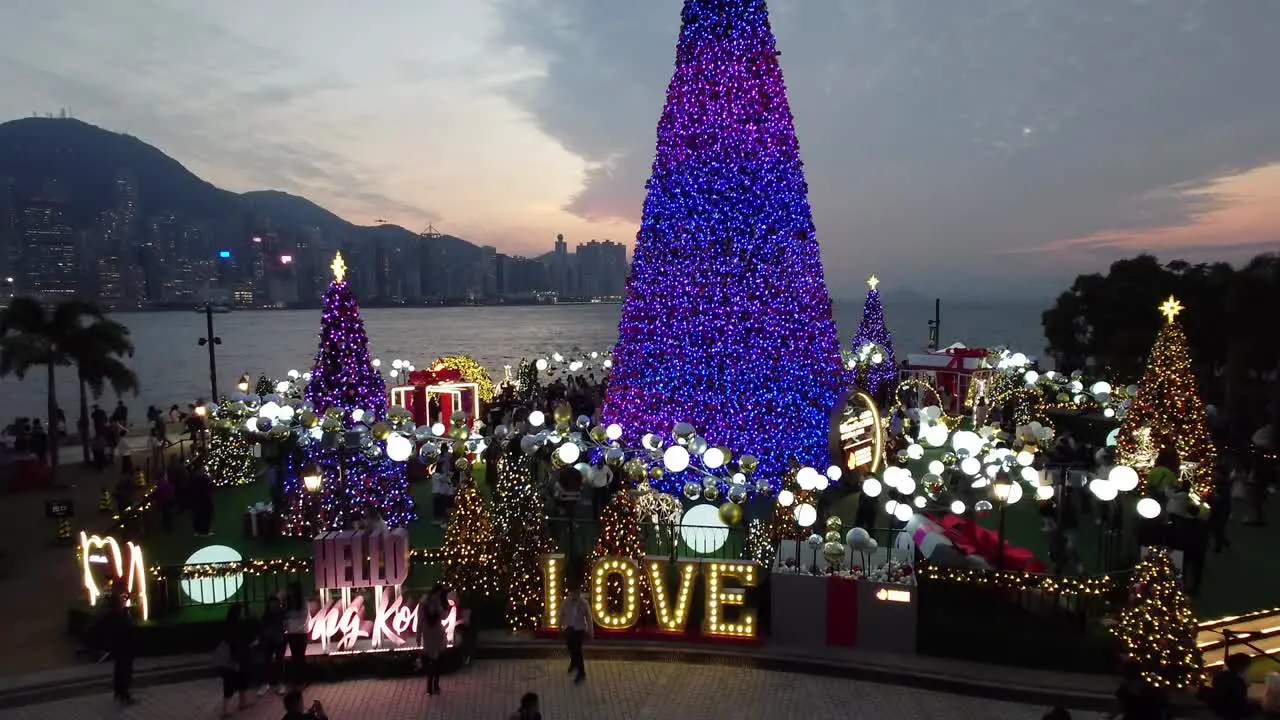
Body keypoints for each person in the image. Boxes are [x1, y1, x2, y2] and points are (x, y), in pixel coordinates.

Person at [217, 604, 254, 717]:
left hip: (237, 657)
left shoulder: (231, 624)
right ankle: (227, 709)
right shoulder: (236, 626)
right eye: (242, 611)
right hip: (236, 657)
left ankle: (242, 702)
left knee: (239, 680)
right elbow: (238, 642)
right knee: (233, 681)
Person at [103, 584, 137, 705]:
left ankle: (119, 693)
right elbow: (128, 628)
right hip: (124, 647)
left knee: (119, 669)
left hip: (118, 647)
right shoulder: (119, 616)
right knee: (124, 671)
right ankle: (123, 694)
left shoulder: (112, 614)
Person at [1208, 652, 1257, 719]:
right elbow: (1241, 708)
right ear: (1244, 668)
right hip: (1231, 714)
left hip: (1219, 711)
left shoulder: (1221, 676)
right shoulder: (1237, 684)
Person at [560, 585, 592, 684]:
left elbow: (588, 618)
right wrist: (560, 625)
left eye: (577, 593)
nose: (575, 595)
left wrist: (590, 631)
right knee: (570, 647)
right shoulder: (566, 602)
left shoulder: (584, 603)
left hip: (579, 629)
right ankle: (573, 663)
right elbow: (561, 613)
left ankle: (581, 673)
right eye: (573, 593)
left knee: (577, 650)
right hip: (569, 627)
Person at [417, 586, 446, 696]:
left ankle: (435, 685)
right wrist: (418, 635)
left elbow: (442, 616)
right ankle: (430, 687)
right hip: (429, 633)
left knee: (436, 659)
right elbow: (420, 619)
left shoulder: (437, 603)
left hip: (436, 633)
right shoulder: (424, 603)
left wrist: (438, 607)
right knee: (432, 659)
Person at [258, 596, 287, 697]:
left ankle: (280, 684)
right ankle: (266, 683)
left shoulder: (281, 614)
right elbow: (262, 628)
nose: (273, 606)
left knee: (279, 661)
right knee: (267, 662)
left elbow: (284, 627)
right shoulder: (266, 616)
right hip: (268, 641)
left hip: (279, 641)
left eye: (275, 604)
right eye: (271, 604)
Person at [283, 584, 310, 689]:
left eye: (290, 591)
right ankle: (299, 680)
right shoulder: (288, 604)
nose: (289, 593)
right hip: (292, 633)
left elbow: (303, 617)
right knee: (296, 657)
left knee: (300, 657)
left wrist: (289, 617)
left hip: (301, 633)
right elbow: (285, 617)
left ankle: (301, 681)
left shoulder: (303, 603)